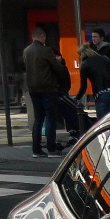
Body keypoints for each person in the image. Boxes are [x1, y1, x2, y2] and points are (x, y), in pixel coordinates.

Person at [24, 28, 65, 157]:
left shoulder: (26, 51)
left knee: (38, 119)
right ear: (42, 36)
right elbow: (58, 68)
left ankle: (36, 149)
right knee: (51, 119)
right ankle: (51, 149)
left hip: (32, 89)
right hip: (47, 88)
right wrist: (58, 61)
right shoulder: (45, 51)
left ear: (32, 37)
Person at [76, 45, 110, 118]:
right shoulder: (104, 59)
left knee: (102, 121)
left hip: (100, 94)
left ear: (81, 54)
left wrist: (77, 98)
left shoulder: (84, 65)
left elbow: (83, 86)